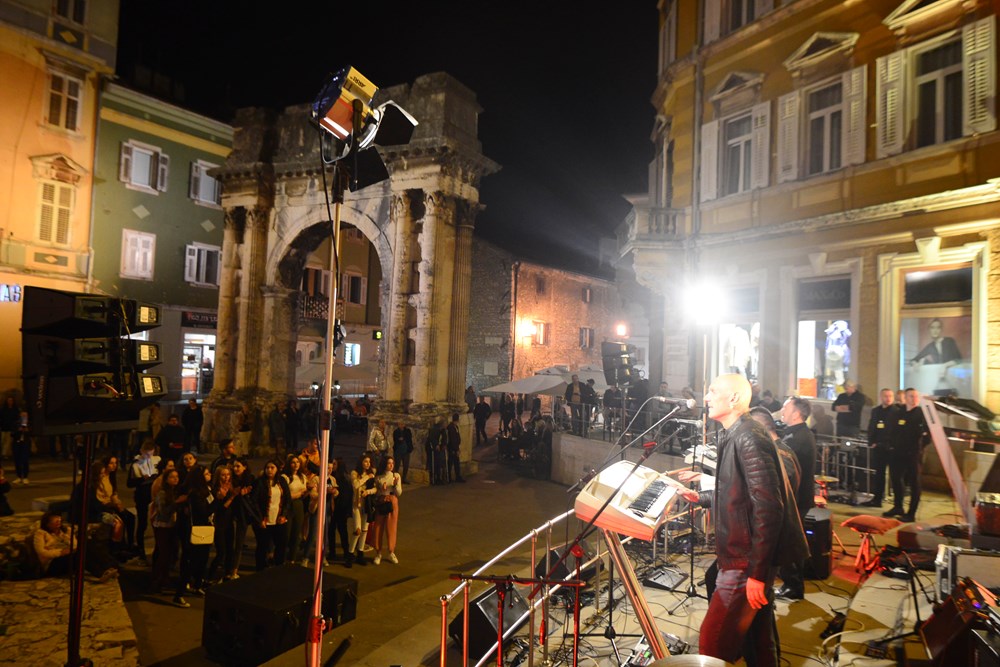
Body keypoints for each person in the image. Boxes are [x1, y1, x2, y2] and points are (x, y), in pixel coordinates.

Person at [677, 374, 807, 666]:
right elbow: (738, 495)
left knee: (712, 642)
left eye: (713, 391)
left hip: (744, 562)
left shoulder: (748, 436)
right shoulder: (736, 432)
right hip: (743, 559)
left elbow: (768, 508)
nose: (706, 398)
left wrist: (757, 574)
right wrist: (700, 497)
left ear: (734, 398)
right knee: (758, 641)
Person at [774, 397, 815, 601]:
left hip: (797, 499)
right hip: (798, 498)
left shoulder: (797, 438)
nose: (782, 410)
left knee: (790, 542)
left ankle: (793, 586)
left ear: (797, 413)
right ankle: (791, 583)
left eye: (786, 407)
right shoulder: (796, 433)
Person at [884, 388, 930, 523]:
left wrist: (920, 447)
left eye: (916, 396)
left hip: (913, 453)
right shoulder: (898, 413)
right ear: (905, 397)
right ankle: (898, 507)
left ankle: (911, 513)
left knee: (914, 483)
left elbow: (928, 435)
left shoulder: (922, 414)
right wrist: (891, 445)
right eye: (911, 396)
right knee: (896, 478)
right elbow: (891, 429)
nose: (914, 399)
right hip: (897, 452)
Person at [32, 511, 118, 581]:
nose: (58, 523)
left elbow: (75, 545)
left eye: (59, 520)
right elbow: (42, 552)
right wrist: (61, 552)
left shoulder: (65, 531)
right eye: (55, 521)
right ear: (48, 524)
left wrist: (66, 539)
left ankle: (108, 568)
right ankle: (100, 573)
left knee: (87, 546)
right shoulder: (41, 533)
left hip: (68, 556)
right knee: (78, 555)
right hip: (52, 563)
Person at [176, 466, 212, 604]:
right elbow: (204, 512)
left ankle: (197, 585)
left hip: (203, 529)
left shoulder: (205, 490)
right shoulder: (195, 494)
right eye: (206, 474)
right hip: (195, 530)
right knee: (191, 561)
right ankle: (179, 594)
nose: (209, 475)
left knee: (202, 560)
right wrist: (219, 500)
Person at [151, 468, 187, 599]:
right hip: (162, 526)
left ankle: (165, 579)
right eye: (172, 477)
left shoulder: (175, 491)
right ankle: (157, 582)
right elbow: (163, 512)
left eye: (177, 477)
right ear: (166, 479)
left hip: (172, 526)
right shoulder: (162, 493)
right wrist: (176, 503)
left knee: (171, 554)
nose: (175, 479)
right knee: (164, 554)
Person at [253, 460, 290, 570]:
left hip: (278, 519)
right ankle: (260, 568)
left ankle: (279, 566)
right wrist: (260, 518)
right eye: (267, 468)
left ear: (277, 469)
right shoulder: (260, 482)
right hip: (265, 519)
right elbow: (254, 501)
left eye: (272, 468)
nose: (269, 470)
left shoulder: (281, 481)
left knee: (281, 544)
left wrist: (284, 515)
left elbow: (287, 499)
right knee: (262, 546)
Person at [865, 388, 899, 508]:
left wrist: (890, 444)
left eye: (890, 396)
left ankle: (897, 504)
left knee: (895, 476)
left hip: (891, 447)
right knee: (879, 474)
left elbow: (895, 431)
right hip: (878, 447)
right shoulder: (876, 411)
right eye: (886, 396)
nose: (888, 398)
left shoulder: (897, 412)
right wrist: (872, 441)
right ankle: (877, 499)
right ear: (881, 397)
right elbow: (872, 426)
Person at [128, 439, 161, 557]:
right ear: (141, 451)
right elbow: (129, 483)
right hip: (142, 495)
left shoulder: (157, 461)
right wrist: (142, 479)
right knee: (142, 523)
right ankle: (141, 549)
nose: (148, 456)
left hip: (154, 494)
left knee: (157, 522)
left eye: (150, 453)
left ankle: (158, 549)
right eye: (145, 453)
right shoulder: (136, 464)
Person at [369, 455, 402, 565]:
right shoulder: (379, 477)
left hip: (392, 501)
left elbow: (399, 493)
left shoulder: (396, 475)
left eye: (392, 463)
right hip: (382, 501)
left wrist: (396, 485)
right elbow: (376, 493)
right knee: (378, 527)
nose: (391, 465)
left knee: (391, 528)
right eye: (389, 463)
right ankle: (378, 553)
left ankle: (391, 551)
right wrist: (381, 490)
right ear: (384, 464)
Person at [228, 457, 258, 580]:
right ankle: (230, 568)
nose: (235, 469)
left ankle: (234, 569)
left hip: (244, 514)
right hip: (231, 513)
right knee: (231, 542)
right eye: (234, 466)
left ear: (245, 467)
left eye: (238, 466)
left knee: (239, 543)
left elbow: (254, 495)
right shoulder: (230, 479)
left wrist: (244, 494)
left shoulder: (250, 479)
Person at [207, 466, 237, 583]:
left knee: (230, 550)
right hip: (219, 523)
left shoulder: (231, 487)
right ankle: (210, 576)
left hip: (229, 522)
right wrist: (231, 497)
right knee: (221, 552)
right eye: (223, 475)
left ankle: (227, 574)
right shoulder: (215, 489)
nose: (226, 477)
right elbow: (221, 508)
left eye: (228, 475)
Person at [349, 453, 377, 564]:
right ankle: (350, 554)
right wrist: (367, 477)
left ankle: (360, 553)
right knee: (357, 530)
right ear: (361, 462)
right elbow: (356, 485)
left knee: (365, 530)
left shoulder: (372, 473)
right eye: (365, 461)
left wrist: (368, 492)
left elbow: (376, 489)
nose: (368, 464)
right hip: (357, 504)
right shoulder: (354, 473)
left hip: (367, 505)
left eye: (369, 462)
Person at [281, 455, 307, 564]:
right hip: (288, 506)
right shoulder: (285, 477)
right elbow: (285, 495)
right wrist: (299, 494)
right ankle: (281, 558)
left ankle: (292, 558)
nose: (296, 464)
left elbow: (304, 492)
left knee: (296, 534)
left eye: (298, 462)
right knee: (286, 533)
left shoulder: (302, 476)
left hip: (299, 505)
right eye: (293, 462)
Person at [329, 457, 352, 567]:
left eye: (334, 464)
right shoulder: (332, 477)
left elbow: (347, 496)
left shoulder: (344, 479)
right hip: (334, 509)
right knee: (331, 531)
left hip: (340, 510)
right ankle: (332, 552)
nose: (332, 466)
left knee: (342, 532)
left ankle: (347, 554)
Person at [11, 410, 30, 484]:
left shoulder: (29, 423)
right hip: (17, 443)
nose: (24, 417)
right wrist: (18, 431)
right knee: (17, 460)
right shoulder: (16, 423)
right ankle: (19, 476)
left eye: (25, 416)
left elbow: (33, 433)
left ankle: (25, 477)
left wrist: (27, 430)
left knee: (25, 460)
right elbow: (12, 434)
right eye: (23, 416)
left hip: (25, 444)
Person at [425, 417, 446, 485]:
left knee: (439, 462)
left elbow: (444, 438)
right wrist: (436, 445)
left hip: (439, 449)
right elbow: (431, 438)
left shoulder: (443, 431)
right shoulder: (434, 430)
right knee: (434, 462)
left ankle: (439, 477)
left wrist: (443, 445)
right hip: (432, 449)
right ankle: (434, 477)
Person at [446, 413, 464, 483]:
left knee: (456, 462)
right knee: (451, 463)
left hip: (455, 447)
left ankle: (457, 476)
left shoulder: (455, 426)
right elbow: (453, 440)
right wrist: (456, 449)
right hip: (452, 448)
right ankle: (449, 477)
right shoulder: (451, 427)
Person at [0, 396, 19, 462]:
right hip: (3, 427)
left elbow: (16, 418)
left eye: (11, 400)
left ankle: (4, 454)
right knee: (2, 441)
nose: (10, 402)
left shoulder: (15, 410)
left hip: (11, 428)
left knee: (8, 441)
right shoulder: (3, 409)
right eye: (8, 400)